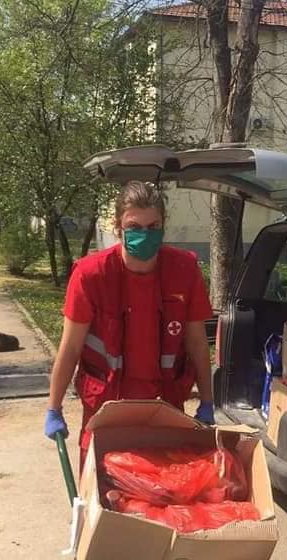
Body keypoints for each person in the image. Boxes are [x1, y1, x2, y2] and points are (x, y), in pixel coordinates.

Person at [44, 181, 215, 467]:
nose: (144, 234)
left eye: (153, 226)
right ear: (118, 226)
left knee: (161, 491)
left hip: (163, 408)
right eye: (134, 226)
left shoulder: (183, 270)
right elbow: (71, 347)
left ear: (163, 225)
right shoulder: (91, 275)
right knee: (104, 489)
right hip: (108, 411)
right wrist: (54, 407)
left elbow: (196, 342)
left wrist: (207, 401)